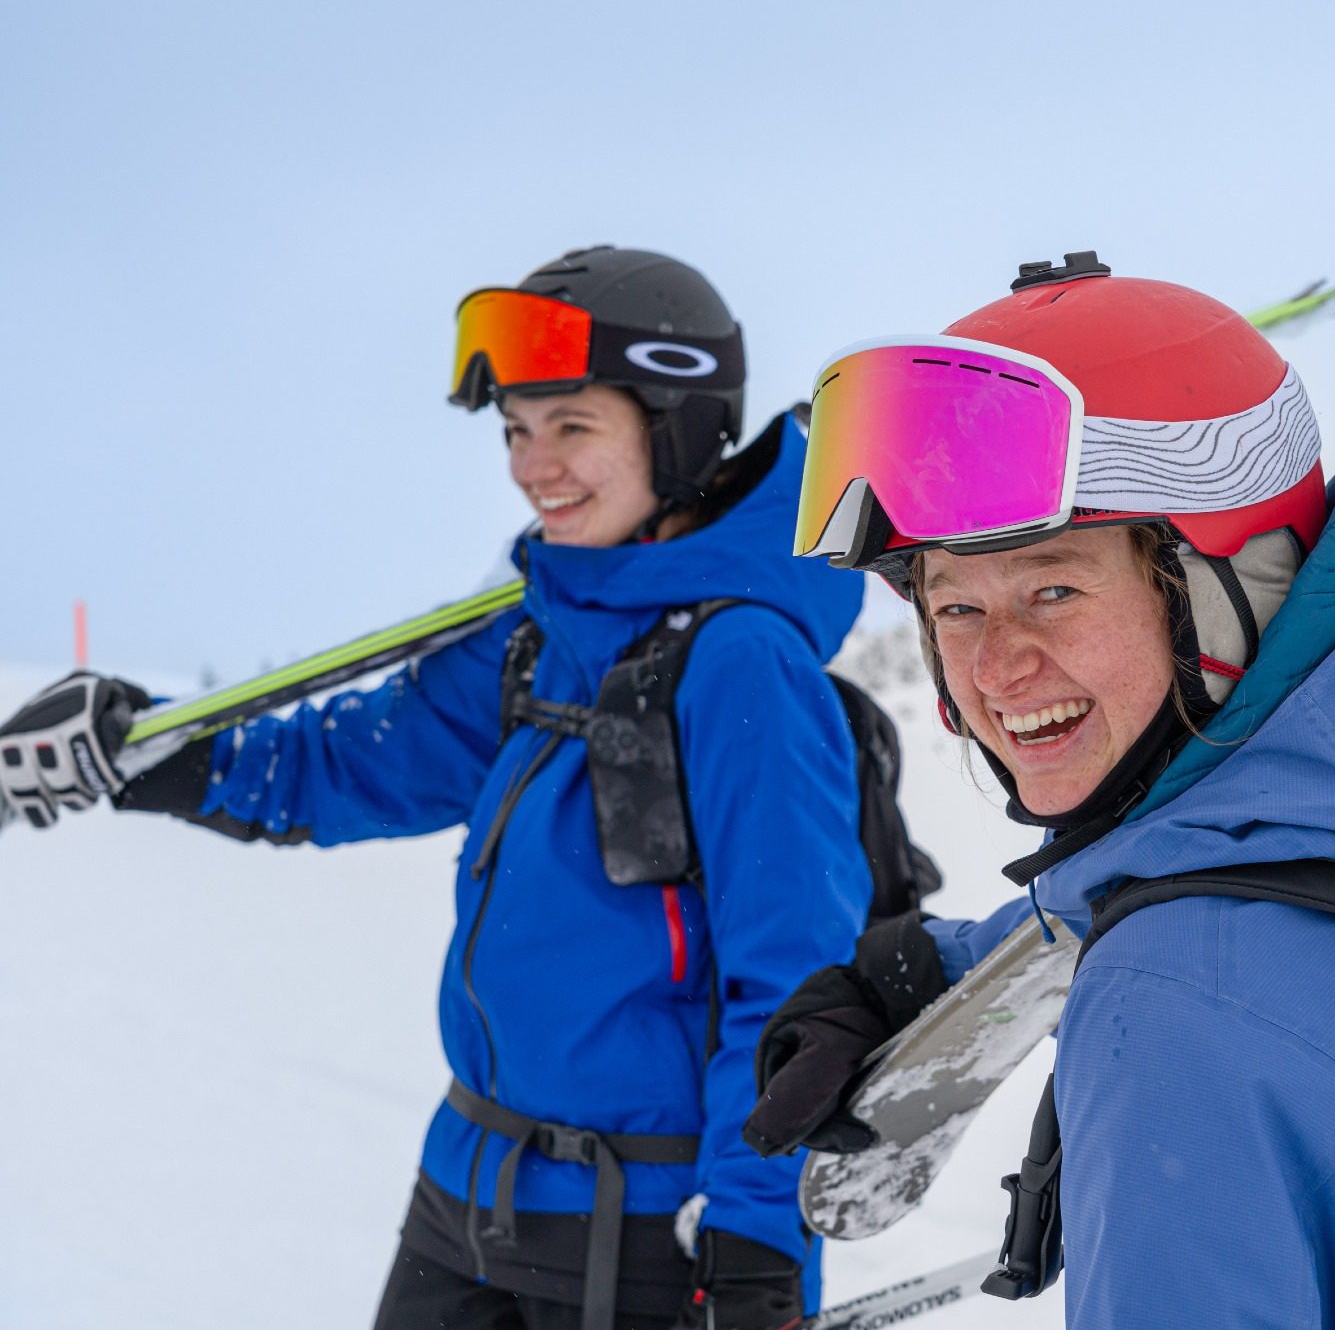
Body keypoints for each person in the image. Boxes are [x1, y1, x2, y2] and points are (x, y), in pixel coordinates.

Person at [0, 246, 874, 1330]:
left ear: (678, 429)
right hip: (462, 1197)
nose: (532, 466)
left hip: (643, 1234)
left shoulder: (743, 662)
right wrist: (161, 752)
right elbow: (349, 760)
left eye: (571, 426)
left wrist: (756, 1242)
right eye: (515, 430)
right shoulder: (539, 634)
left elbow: (791, 981)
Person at [746, 254, 1335, 1326]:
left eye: (1054, 588)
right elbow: (1235, 880)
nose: (996, 668)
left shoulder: (1169, 1013)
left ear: (1233, 589)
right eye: (954, 607)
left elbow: (1213, 968)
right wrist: (929, 968)